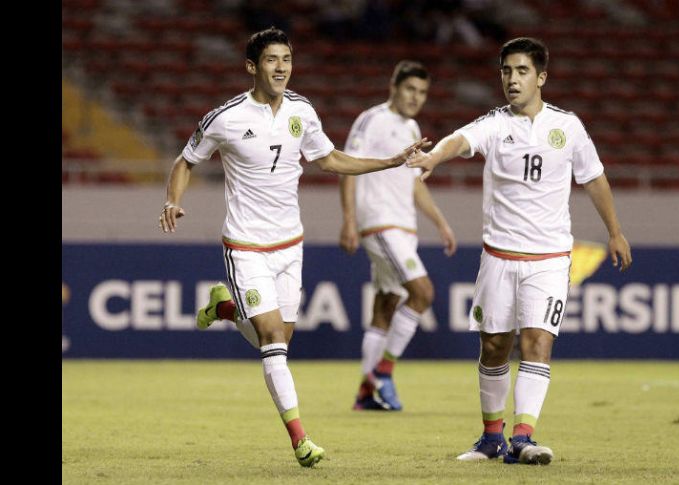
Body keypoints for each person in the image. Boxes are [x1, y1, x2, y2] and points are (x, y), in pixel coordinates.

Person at [158, 27, 429, 468]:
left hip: (290, 244)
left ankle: (224, 309)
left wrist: (392, 161)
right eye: (271, 60)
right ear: (252, 67)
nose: (281, 67)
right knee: (271, 341)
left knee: (280, 339)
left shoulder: (302, 111)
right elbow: (185, 161)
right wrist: (173, 199)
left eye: (286, 58)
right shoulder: (225, 117)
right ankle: (301, 438)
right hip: (246, 244)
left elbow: (331, 159)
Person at [407, 37, 632, 465]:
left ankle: (524, 437)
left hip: (548, 259)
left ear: (541, 77)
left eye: (522, 71)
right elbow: (459, 139)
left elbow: (595, 178)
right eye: (506, 71)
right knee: (494, 346)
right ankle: (492, 438)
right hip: (499, 256)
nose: (512, 79)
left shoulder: (567, 127)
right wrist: (435, 156)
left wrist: (615, 231)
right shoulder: (496, 124)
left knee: (536, 342)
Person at [338, 60, 457, 412]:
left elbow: (414, 185)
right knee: (422, 292)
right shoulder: (372, 120)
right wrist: (348, 220)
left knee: (386, 306)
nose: (415, 97)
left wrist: (441, 223)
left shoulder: (412, 129)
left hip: (404, 226)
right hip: (379, 222)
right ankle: (384, 372)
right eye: (410, 89)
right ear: (394, 86)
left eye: (422, 92)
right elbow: (347, 168)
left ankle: (365, 393)